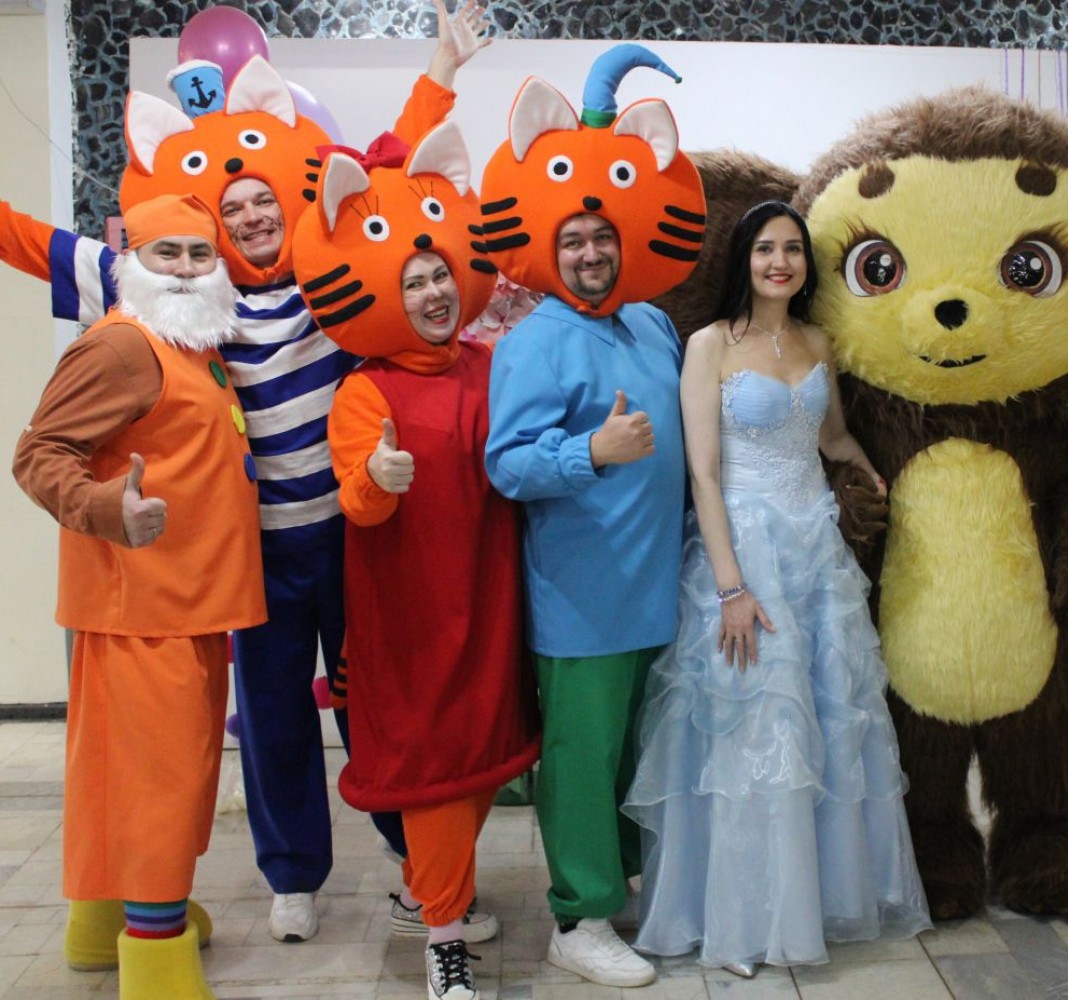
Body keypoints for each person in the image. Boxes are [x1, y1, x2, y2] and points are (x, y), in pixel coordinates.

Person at [0, 0, 490, 950]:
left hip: (352, 537)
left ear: (289, 204)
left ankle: (411, 863)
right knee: (271, 719)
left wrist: (440, 72)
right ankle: (293, 873)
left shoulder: (330, 271)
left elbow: (387, 163)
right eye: (233, 210)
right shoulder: (186, 293)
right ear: (211, 231)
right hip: (253, 557)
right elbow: (40, 246)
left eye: (265, 200)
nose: (253, 217)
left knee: (377, 704)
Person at [622, 200, 931, 976]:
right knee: (752, 732)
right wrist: (731, 589)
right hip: (743, 552)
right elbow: (703, 472)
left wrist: (868, 473)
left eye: (792, 249)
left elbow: (829, 436)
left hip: (815, 551)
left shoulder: (817, 342)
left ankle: (813, 905)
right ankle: (741, 921)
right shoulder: (708, 345)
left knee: (824, 725)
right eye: (765, 249)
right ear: (744, 259)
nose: (779, 262)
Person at [482, 43, 706, 990]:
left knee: (630, 756)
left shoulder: (651, 324)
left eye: (601, 238)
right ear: (551, 246)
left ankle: (620, 889)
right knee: (579, 759)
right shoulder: (532, 341)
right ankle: (578, 916)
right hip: (581, 599)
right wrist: (591, 452)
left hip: (658, 590)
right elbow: (506, 465)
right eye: (572, 240)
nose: (588, 253)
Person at [302, 121, 541, 1000]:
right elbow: (358, 501)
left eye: (439, 273)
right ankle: (443, 941)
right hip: (411, 620)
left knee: (481, 765)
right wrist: (379, 476)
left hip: (490, 602)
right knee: (437, 779)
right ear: (380, 291)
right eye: (412, 281)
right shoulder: (364, 389)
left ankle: (427, 897)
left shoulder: (487, 366)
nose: (434, 291)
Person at [12, 193, 264, 999]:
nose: (185, 270)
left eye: (199, 254)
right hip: (144, 608)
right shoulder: (122, 344)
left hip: (185, 602)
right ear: (132, 261)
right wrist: (103, 509)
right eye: (167, 253)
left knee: (132, 778)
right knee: (159, 788)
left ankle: (100, 925)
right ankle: (155, 962)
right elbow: (40, 453)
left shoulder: (189, 344)